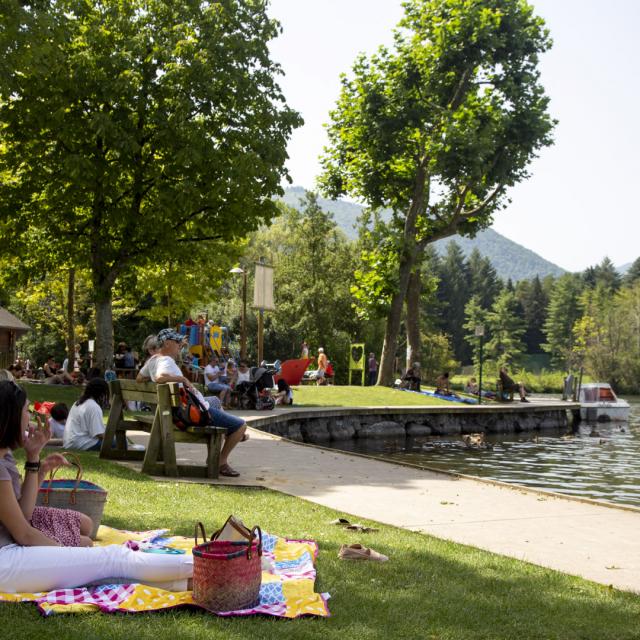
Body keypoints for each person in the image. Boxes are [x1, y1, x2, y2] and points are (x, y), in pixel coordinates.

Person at [0, 381, 193, 593]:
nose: (30, 418)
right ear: (9, 417)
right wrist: (69, 555)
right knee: (114, 558)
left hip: (9, 558)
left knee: (106, 569)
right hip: (6, 562)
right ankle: (210, 563)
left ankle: (193, 583)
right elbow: (24, 534)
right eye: (26, 410)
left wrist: (33, 457)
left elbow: (23, 516)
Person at [138, 329, 247, 477]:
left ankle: (229, 435)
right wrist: (182, 379)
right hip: (190, 413)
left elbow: (139, 378)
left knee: (214, 401)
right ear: (167, 344)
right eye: (177, 343)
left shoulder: (153, 360)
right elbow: (160, 377)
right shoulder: (166, 360)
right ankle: (221, 460)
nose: (179, 347)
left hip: (181, 409)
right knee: (241, 425)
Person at [63, 378, 110, 451]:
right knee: (121, 442)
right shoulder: (94, 407)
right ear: (101, 393)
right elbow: (99, 434)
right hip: (83, 444)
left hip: (70, 443)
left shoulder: (77, 403)